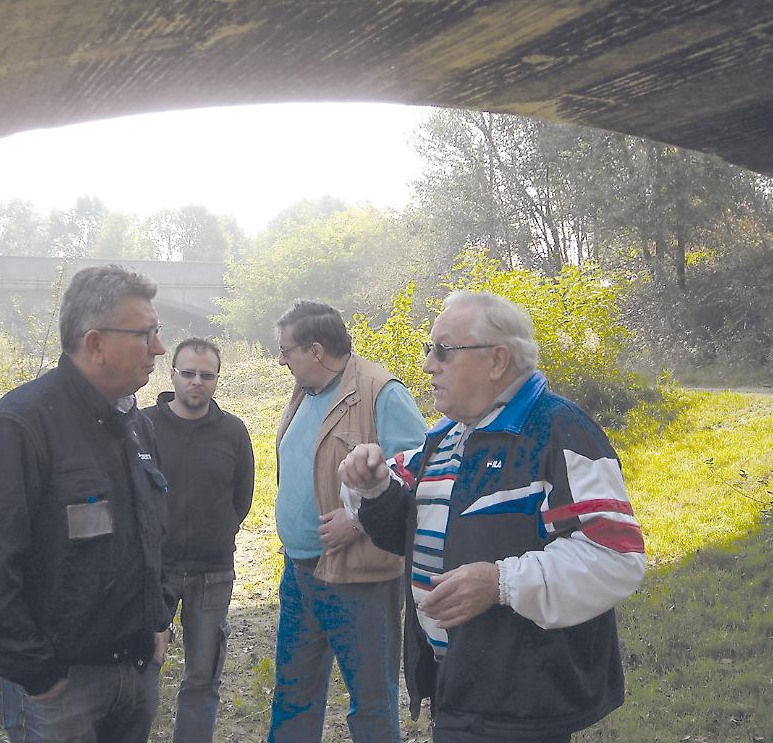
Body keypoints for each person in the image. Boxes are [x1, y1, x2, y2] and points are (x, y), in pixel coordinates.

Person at [339, 290, 647, 742]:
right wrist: (373, 488)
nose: (428, 365)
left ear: (497, 360)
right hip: (458, 689)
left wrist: (501, 583)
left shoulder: (560, 429)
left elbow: (616, 557)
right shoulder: (444, 439)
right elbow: (408, 535)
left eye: (442, 351)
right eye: (429, 350)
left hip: (521, 705)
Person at [0, 264, 173, 743]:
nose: (159, 348)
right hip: (59, 690)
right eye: (146, 334)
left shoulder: (136, 424)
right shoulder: (21, 426)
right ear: (94, 344)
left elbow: (155, 531)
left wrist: (160, 621)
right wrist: (40, 675)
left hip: (135, 673)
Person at [267, 300, 427, 743]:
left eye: (286, 350)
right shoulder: (307, 388)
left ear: (315, 350)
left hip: (359, 580)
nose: (281, 360)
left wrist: (358, 519)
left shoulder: (381, 391)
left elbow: (419, 471)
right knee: (293, 694)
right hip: (298, 572)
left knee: (371, 703)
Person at [143, 338, 255, 743]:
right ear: (171, 374)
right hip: (153, 570)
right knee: (141, 671)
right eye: (188, 373)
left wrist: (219, 532)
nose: (197, 382)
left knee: (202, 677)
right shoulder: (143, 426)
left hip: (213, 571)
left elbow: (242, 497)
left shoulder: (233, 431)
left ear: (217, 380)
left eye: (207, 375)